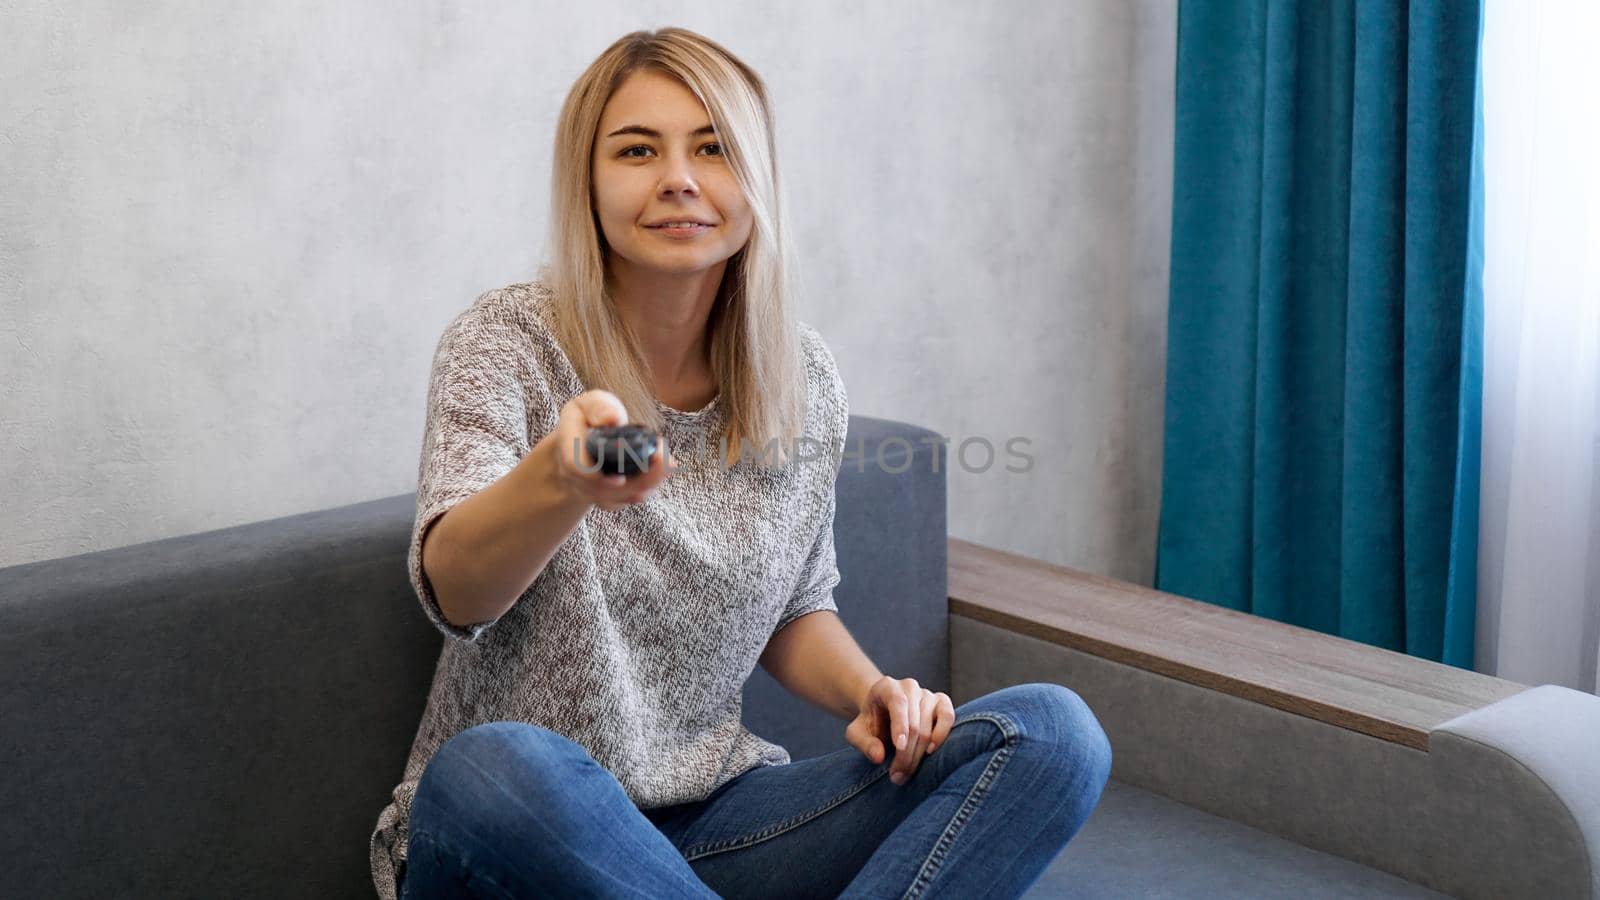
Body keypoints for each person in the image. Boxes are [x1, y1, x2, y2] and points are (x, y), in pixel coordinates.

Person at [369, 26, 1113, 900]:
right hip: (517, 831)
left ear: (754, 180)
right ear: (589, 182)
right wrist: (562, 478)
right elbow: (456, 591)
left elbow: (795, 605)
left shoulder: (800, 381)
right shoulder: (507, 343)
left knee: (1055, 735)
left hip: (713, 824)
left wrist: (872, 692)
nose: (678, 177)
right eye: (638, 150)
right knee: (497, 764)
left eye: (713, 148)